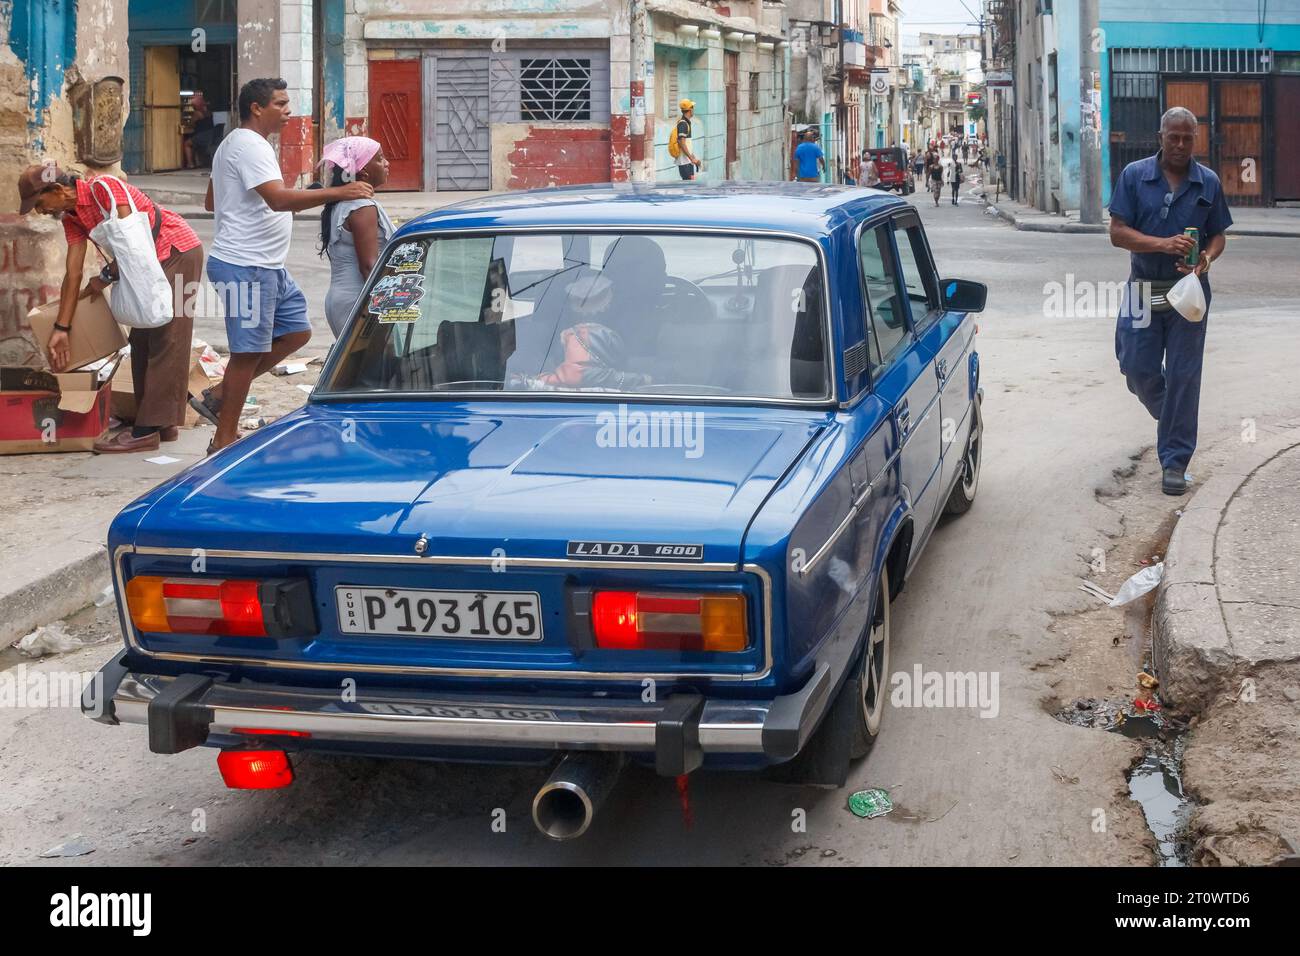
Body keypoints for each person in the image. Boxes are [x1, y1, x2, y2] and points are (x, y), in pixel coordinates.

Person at [196, 77, 372, 453]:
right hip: (245, 264)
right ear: (257, 108)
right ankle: (223, 439)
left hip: (266, 264)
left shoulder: (239, 145)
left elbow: (213, 200)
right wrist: (340, 191)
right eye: (280, 104)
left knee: (297, 332)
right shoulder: (248, 145)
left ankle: (219, 392)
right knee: (246, 354)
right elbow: (277, 201)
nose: (288, 111)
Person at [18, 165, 205, 454]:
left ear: (56, 190)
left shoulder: (104, 188)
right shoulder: (72, 218)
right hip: (148, 266)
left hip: (177, 252)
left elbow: (133, 247)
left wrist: (105, 277)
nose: (39, 212)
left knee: (168, 339)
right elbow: (73, 273)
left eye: (40, 204)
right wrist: (61, 329)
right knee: (141, 339)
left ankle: (146, 431)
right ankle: (161, 424)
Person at [1109, 106, 1232, 496]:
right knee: (1136, 367)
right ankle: (1173, 420)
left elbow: (1218, 235)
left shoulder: (1207, 182)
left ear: (1195, 139)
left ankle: (1175, 461)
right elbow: (1117, 233)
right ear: (1160, 136)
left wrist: (1206, 259)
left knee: (1183, 377)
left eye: (1187, 138)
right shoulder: (1134, 176)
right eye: (1173, 136)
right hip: (1144, 288)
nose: (1180, 144)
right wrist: (1163, 244)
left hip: (1189, 294)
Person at [318, 136, 394, 337]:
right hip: (359, 301)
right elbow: (369, 266)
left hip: (341, 300)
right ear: (364, 171)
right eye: (380, 159)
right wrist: (389, 308)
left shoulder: (341, 203)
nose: (387, 163)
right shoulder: (362, 207)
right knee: (377, 366)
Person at [182, 92, 216, 169]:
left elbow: (190, 124)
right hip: (209, 136)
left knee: (187, 143)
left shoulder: (197, 113)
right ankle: (198, 162)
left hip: (203, 136)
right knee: (193, 141)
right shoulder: (209, 112)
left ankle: (190, 164)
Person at [675, 99, 703, 180]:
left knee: (690, 185)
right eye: (693, 108)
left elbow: (687, 144)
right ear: (690, 110)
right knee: (688, 186)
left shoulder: (686, 123)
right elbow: (681, 142)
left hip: (687, 162)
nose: (693, 110)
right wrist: (691, 159)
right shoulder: (683, 124)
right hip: (685, 163)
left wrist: (693, 159)